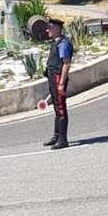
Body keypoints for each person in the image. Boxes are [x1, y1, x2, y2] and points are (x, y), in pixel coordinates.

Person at [43, 18, 74, 150]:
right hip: (52, 77)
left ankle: (63, 139)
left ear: (57, 28)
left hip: (58, 78)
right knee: (56, 107)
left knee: (61, 107)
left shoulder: (63, 43)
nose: (47, 30)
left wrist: (61, 83)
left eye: (50, 27)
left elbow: (66, 63)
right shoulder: (56, 43)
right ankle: (56, 136)